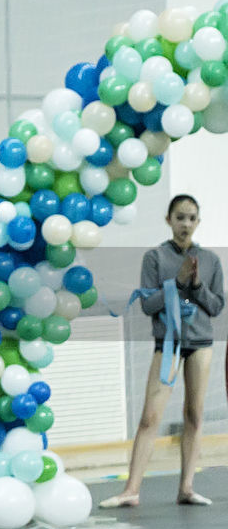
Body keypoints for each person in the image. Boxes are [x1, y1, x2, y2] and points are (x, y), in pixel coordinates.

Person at [101, 194, 223, 509]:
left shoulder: (210, 260)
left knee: (194, 415)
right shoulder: (155, 257)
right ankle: (131, 489)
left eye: (192, 218)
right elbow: (148, 305)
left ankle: (187, 487)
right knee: (150, 417)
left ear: (198, 222)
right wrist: (178, 281)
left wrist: (195, 285)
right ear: (168, 220)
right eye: (180, 217)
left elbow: (216, 306)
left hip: (201, 345)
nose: (186, 224)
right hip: (167, 342)